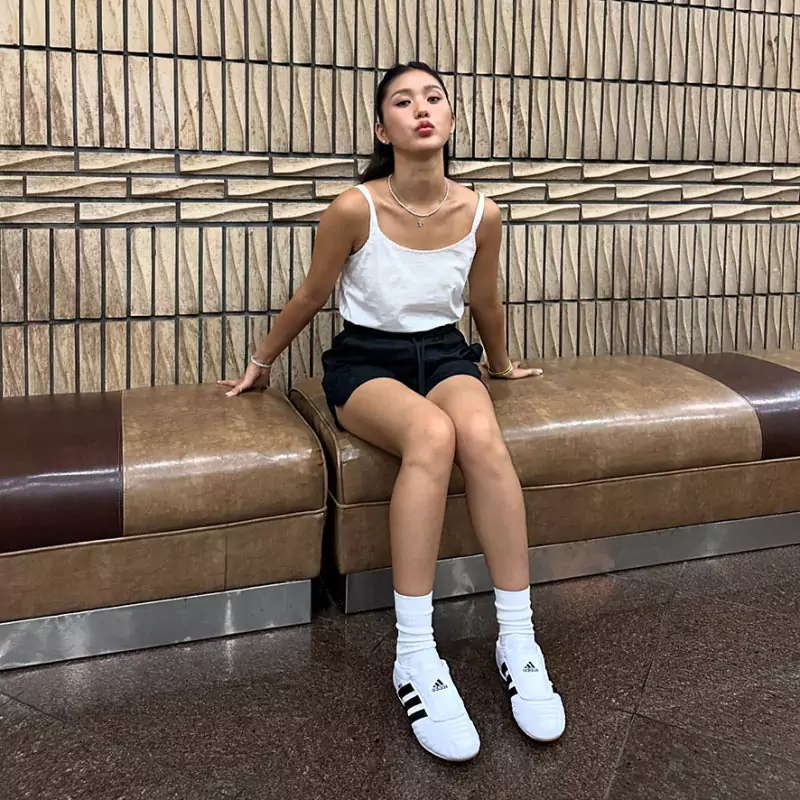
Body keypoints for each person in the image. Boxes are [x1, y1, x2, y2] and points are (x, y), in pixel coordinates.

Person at [219, 61, 565, 762]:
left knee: (482, 437)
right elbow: (312, 295)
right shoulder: (355, 208)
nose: (421, 109)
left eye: (433, 98)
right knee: (432, 435)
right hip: (365, 362)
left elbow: (484, 302)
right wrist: (261, 362)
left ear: (452, 119)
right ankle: (414, 654)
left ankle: (518, 639)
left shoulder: (482, 212)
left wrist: (499, 365)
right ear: (383, 129)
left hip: (444, 354)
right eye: (403, 102)